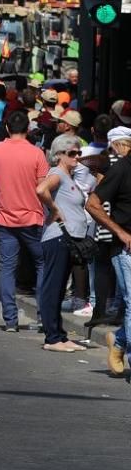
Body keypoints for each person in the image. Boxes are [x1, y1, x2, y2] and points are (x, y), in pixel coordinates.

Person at [0, 110, 48, 331]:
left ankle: (10, 320)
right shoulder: (37, 154)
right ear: (28, 130)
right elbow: (42, 189)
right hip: (32, 216)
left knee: (7, 268)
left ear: (6, 128)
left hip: (5, 217)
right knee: (43, 264)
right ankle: (44, 315)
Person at [37, 134, 94, 352]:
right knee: (53, 288)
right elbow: (40, 190)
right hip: (58, 237)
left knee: (60, 289)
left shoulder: (69, 176)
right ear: (59, 154)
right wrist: (54, 208)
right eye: (72, 153)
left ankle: (59, 335)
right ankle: (52, 338)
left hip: (69, 239)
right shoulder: (57, 173)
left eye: (79, 152)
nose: (77, 156)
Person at [89, 128, 131, 374]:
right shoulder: (121, 169)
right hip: (125, 247)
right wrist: (120, 232)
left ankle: (120, 340)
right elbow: (93, 204)